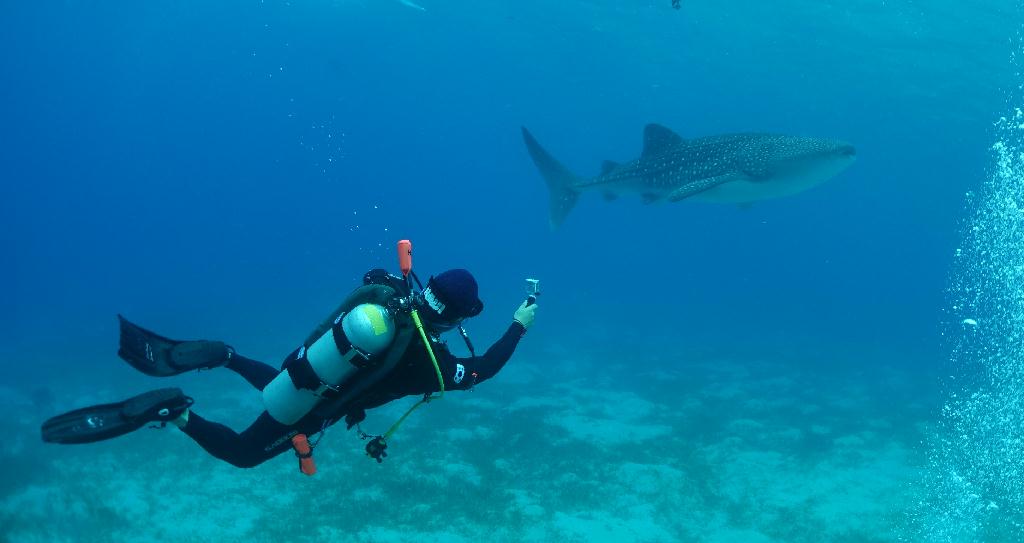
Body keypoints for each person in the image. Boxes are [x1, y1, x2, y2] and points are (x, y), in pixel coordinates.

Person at [41, 267, 538, 470]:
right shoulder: (430, 361)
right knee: (242, 453)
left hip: (306, 370)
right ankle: (177, 413)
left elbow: (371, 278)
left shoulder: (392, 298)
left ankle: (226, 356)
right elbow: (484, 370)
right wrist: (518, 326)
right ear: (454, 316)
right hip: (312, 407)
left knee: (288, 385)